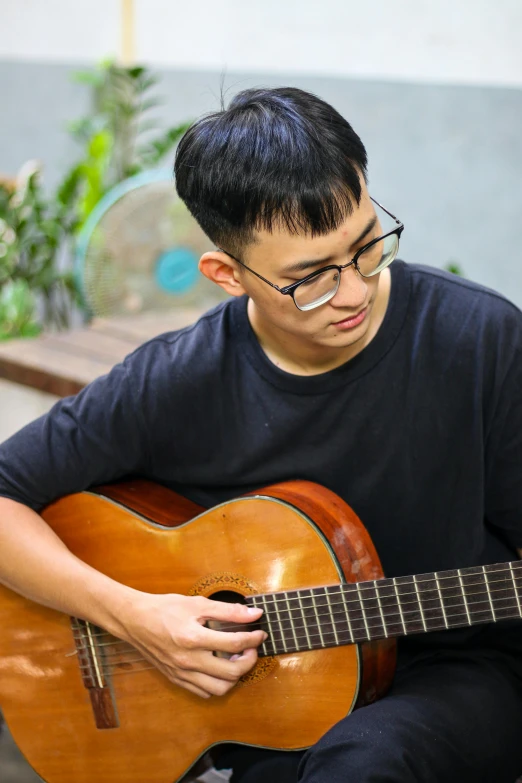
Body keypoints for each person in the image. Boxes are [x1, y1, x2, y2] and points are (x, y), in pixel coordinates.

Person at [1, 87, 522, 783]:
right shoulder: (177, 379)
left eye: (367, 244)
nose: (354, 291)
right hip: (275, 705)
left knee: (364, 764)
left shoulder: (480, 340)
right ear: (227, 274)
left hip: (456, 671)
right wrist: (134, 616)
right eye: (309, 279)